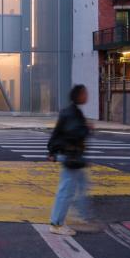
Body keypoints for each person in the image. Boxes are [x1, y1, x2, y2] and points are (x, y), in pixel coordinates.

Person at [47, 84, 94, 236]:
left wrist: (52, 151)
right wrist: (87, 128)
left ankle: (82, 215)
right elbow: (73, 133)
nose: (87, 96)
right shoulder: (73, 113)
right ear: (78, 95)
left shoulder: (71, 111)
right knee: (66, 190)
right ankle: (57, 223)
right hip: (71, 156)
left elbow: (57, 132)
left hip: (72, 155)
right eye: (85, 93)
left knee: (80, 185)